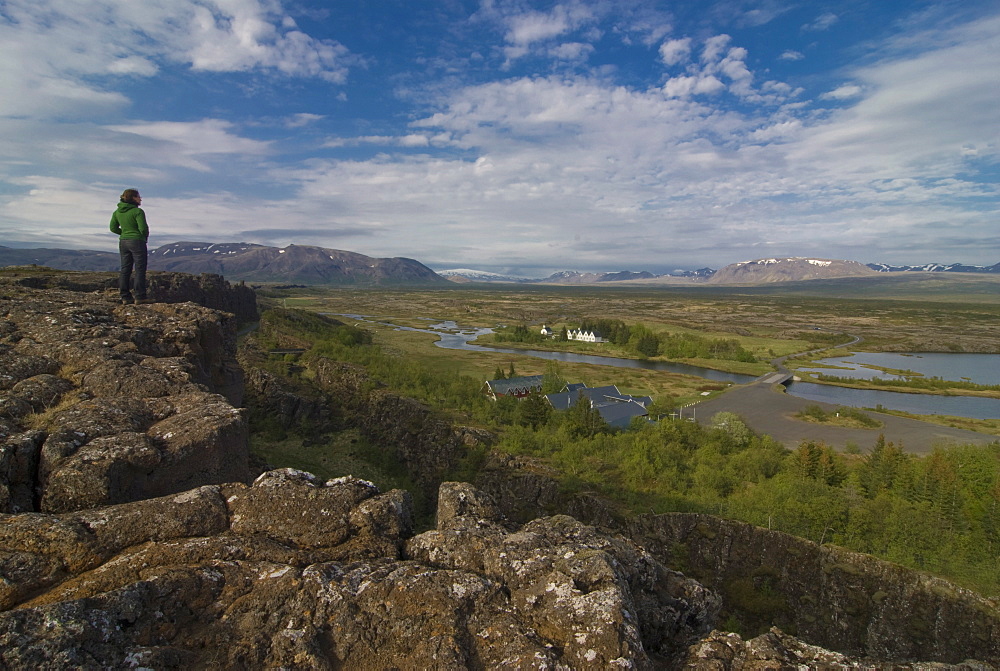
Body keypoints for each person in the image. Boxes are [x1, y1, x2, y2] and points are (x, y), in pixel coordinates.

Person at [110, 188, 151, 304]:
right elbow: (143, 228)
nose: (140, 199)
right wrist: (143, 237)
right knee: (140, 269)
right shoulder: (138, 212)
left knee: (125, 269)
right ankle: (140, 297)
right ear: (133, 198)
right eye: (138, 197)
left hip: (123, 242)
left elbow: (112, 228)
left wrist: (123, 233)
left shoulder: (117, 212)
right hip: (137, 241)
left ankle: (125, 297)